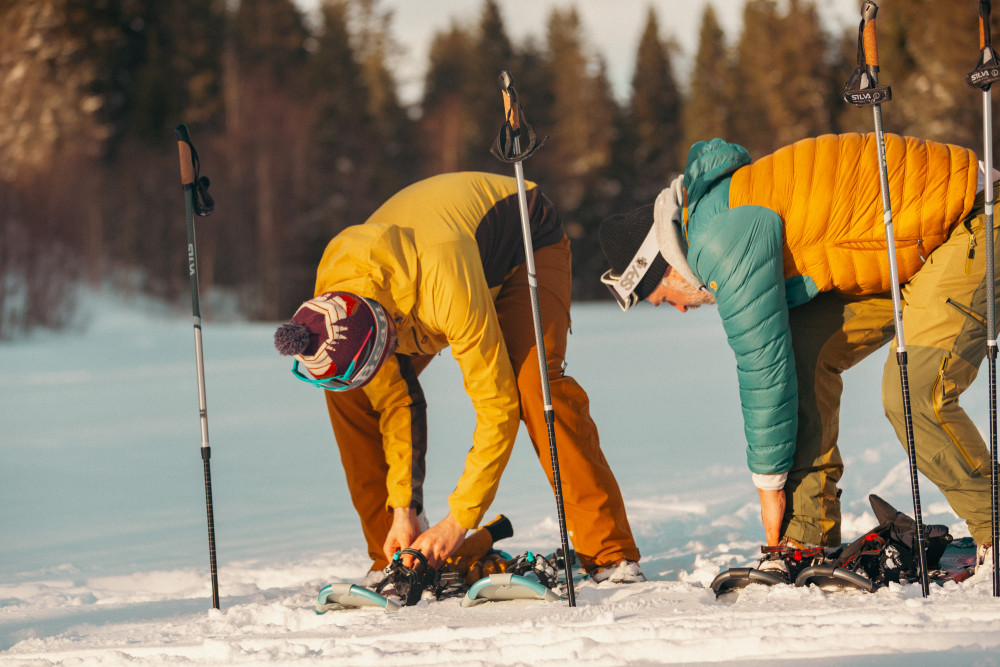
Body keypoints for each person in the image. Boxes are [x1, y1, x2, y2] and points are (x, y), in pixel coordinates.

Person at [598, 132, 996, 575]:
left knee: (915, 392)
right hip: (913, 242)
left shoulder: (716, 240)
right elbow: (783, 358)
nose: (676, 307)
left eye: (661, 297)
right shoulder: (713, 215)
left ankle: (994, 526)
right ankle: (807, 535)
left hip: (970, 219)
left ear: (665, 265)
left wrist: (769, 487)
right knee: (804, 351)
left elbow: (762, 368)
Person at [275, 171, 643, 585]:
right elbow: (396, 401)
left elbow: (496, 405)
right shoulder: (334, 307)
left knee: (533, 386)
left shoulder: (444, 288)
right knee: (351, 395)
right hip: (423, 269)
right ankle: (398, 557)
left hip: (520, 239)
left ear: (384, 325)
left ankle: (610, 554)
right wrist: (403, 509)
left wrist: (459, 520)